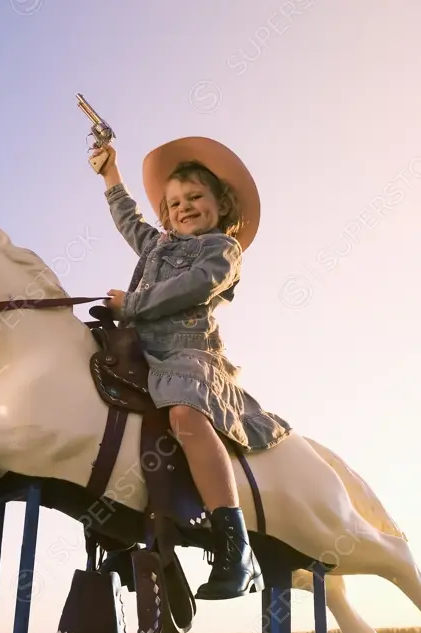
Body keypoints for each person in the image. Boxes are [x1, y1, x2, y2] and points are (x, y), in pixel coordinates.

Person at [88, 137, 291, 600]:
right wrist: (108, 175)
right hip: (139, 346)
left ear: (220, 204)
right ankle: (120, 521)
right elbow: (128, 220)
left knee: (183, 413)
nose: (184, 207)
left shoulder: (222, 249)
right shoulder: (156, 245)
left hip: (188, 352)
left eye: (196, 197)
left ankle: (234, 545)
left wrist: (134, 302)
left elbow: (196, 286)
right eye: (175, 202)